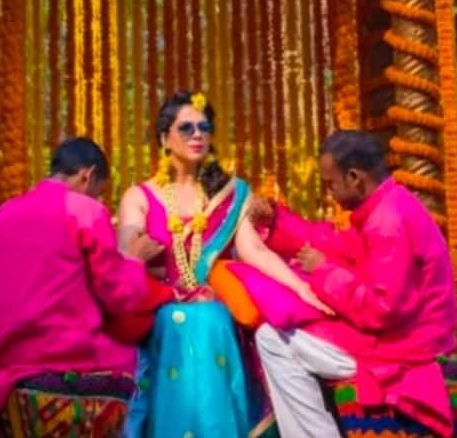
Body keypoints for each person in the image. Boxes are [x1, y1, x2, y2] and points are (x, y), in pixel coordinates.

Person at [117, 90, 331, 438]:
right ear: (163, 138)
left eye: (204, 127)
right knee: (181, 319)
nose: (197, 135)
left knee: (210, 317)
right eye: (186, 128)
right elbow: (126, 255)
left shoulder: (229, 195)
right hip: (157, 314)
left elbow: (255, 252)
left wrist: (301, 287)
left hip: (217, 315)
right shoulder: (139, 196)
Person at [251, 130, 457, 438]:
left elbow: (381, 309)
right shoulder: (387, 204)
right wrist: (274, 220)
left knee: (271, 338)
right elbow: (334, 243)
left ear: (354, 178)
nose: (329, 192)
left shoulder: (387, 222)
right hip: (399, 335)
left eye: (331, 183)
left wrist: (323, 272)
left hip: (404, 347)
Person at [0, 137, 169, 438]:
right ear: (87, 176)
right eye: (98, 192)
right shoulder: (84, 211)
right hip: (65, 363)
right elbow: (120, 297)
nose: (98, 200)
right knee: (141, 350)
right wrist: (133, 259)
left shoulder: (0, 215)